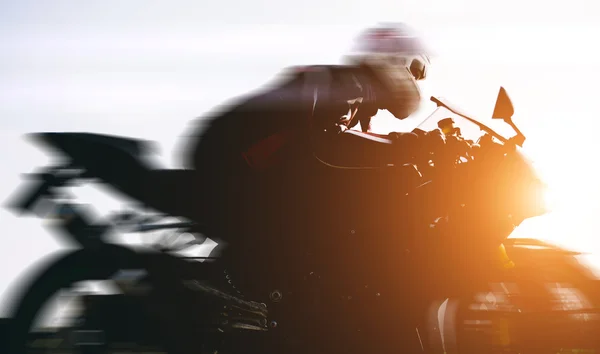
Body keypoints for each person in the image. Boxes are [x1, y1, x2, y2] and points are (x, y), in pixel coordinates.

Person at [184, 23, 435, 271]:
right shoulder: (348, 85)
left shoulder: (353, 95)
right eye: (416, 70)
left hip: (239, 165)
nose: (416, 80)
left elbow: (349, 143)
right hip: (235, 168)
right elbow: (330, 146)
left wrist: (404, 145)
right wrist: (406, 145)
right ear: (395, 60)